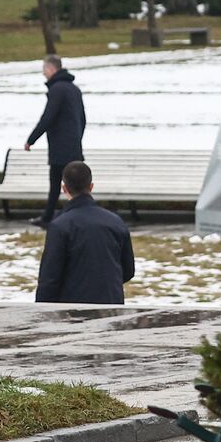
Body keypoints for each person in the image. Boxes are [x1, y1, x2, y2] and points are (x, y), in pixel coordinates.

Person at [34, 161, 134, 304]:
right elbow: (128, 270)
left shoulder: (60, 226)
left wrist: (41, 311)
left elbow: (50, 279)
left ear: (64, 188)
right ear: (91, 186)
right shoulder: (115, 222)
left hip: (73, 309)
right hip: (111, 304)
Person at [23, 54, 86, 229]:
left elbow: (48, 118)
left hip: (60, 147)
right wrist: (77, 138)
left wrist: (31, 140)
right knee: (75, 184)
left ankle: (49, 218)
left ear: (51, 69)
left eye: (44, 69)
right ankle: (59, 216)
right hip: (73, 146)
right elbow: (82, 119)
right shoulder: (74, 89)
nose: (44, 73)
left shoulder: (57, 90)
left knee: (56, 183)